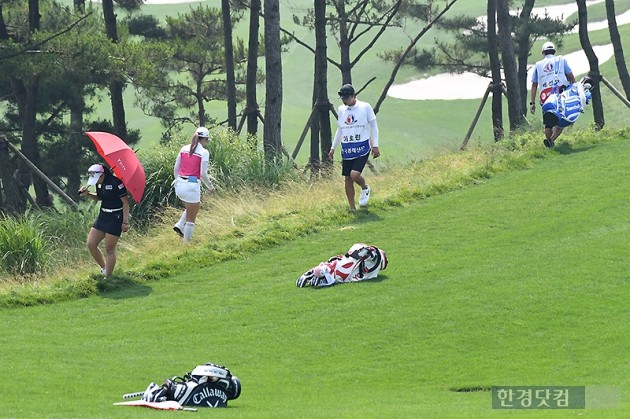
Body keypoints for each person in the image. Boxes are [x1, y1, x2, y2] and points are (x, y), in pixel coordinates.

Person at [328, 84, 380, 213]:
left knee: (354, 174)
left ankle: (364, 187)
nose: (344, 100)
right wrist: (333, 147)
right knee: (347, 178)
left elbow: (374, 126)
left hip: (362, 145)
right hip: (347, 148)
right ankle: (352, 208)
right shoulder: (341, 110)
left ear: (353, 95)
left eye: (346, 97)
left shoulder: (365, 107)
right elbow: (340, 130)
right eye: (342, 98)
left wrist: (375, 145)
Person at [78, 163, 130, 278]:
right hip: (103, 216)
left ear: (102, 175)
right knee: (91, 243)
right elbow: (101, 197)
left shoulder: (117, 183)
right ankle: (104, 268)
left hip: (115, 217)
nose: (95, 181)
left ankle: (108, 278)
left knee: (109, 249)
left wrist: (125, 222)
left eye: (96, 178)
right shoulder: (99, 184)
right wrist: (88, 194)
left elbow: (125, 202)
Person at [529, 41, 577, 147]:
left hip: (545, 96)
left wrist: (532, 103)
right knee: (561, 119)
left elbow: (534, 85)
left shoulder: (538, 65)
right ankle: (551, 140)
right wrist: (576, 88)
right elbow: (571, 76)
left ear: (543, 53)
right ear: (554, 51)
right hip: (559, 94)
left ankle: (550, 144)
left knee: (548, 122)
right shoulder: (561, 60)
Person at [173, 126, 215, 243]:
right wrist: (210, 187)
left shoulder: (184, 148)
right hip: (191, 186)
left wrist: (179, 181)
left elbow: (176, 169)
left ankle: (180, 224)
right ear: (205, 139)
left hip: (180, 184)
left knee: (194, 206)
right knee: (192, 218)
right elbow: (202, 174)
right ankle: (186, 244)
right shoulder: (204, 152)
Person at [541, 77, 593, 147]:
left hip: (557, 104)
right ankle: (551, 140)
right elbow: (584, 101)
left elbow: (563, 88)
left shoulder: (574, 85)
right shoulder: (583, 91)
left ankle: (550, 142)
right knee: (560, 126)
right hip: (564, 109)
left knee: (549, 124)